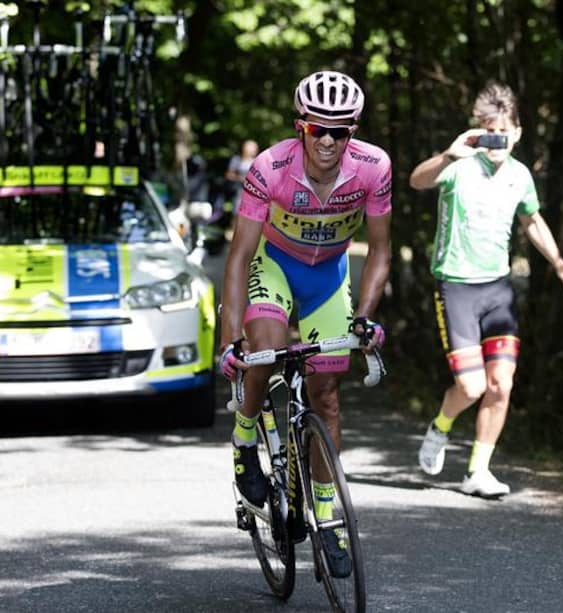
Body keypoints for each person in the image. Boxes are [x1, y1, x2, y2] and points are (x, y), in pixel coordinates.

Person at [219, 70, 392, 577]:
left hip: (327, 278)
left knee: (328, 396)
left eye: (342, 131)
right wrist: (232, 338)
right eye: (320, 130)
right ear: (302, 127)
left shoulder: (373, 167)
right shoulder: (270, 167)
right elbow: (239, 255)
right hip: (273, 266)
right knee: (265, 350)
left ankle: (325, 515)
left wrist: (364, 318)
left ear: (353, 131)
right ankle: (245, 437)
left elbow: (380, 250)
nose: (330, 141)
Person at [409, 81, 563, 498]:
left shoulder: (521, 176)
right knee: (471, 386)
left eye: (504, 131)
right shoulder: (459, 165)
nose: (497, 140)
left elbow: (532, 221)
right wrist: (450, 153)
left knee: (501, 384)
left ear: (518, 133)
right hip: (456, 288)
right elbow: (417, 181)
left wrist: (558, 262)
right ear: (478, 131)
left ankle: (478, 472)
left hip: (498, 291)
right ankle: (441, 426)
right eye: (489, 131)